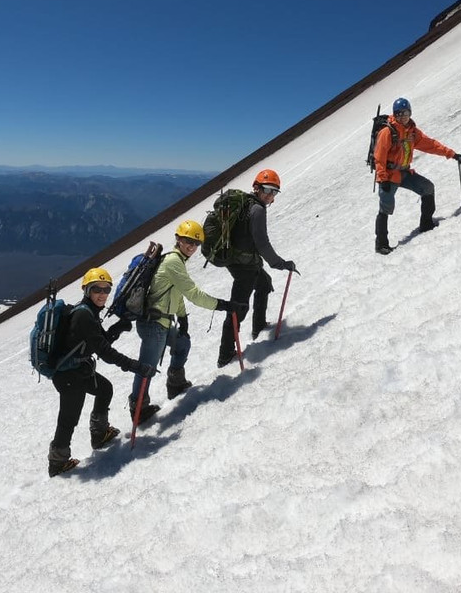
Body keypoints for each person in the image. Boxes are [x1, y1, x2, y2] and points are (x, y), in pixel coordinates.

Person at [122, 220, 244, 422]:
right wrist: (222, 305)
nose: (192, 247)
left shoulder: (176, 260)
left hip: (160, 322)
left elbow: (175, 292)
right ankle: (139, 409)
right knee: (147, 368)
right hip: (154, 324)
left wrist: (182, 316)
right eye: (188, 241)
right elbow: (193, 294)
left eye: (196, 243)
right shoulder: (173, 262)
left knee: (182, 343)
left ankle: (175, 384)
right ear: (178, 239)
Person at [47, 267, 156, 477]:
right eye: (97, 289)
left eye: (106, 289)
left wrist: (118, 328)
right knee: (69, 418)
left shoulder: (88, 311)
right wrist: (137, 367)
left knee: (104, 389)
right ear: (87, 290)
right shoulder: (84, 315)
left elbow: (98, 340)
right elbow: (105, 352)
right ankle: (57, 463)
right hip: (69, 376)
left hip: (79, 370)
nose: (102, 294)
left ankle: (100, 434)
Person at [217, 169, 297, 368]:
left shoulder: (246, 203)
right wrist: (280, 263)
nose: (270, 195)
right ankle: (225, 355)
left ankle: (258, 327)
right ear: (256, 188)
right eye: (267, 190)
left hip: (238, 260)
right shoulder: (257, 210)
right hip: (244, 265)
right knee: (238, 308)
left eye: (274, 192)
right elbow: (262, 243)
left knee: (264, 283)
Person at [373, 97, 461, 255]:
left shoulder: (412, 132)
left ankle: (426, 223)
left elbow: (430, 145)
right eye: (399, 114)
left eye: (405, 113)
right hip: (389, 175)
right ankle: (381, 244)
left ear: (410, 113)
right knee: (386, 207)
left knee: (427, 188)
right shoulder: (387, 132)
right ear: (394, 114)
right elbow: (379, 157)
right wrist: (383, 178)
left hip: (405, 172)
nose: (403, 117)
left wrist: (451, 153)